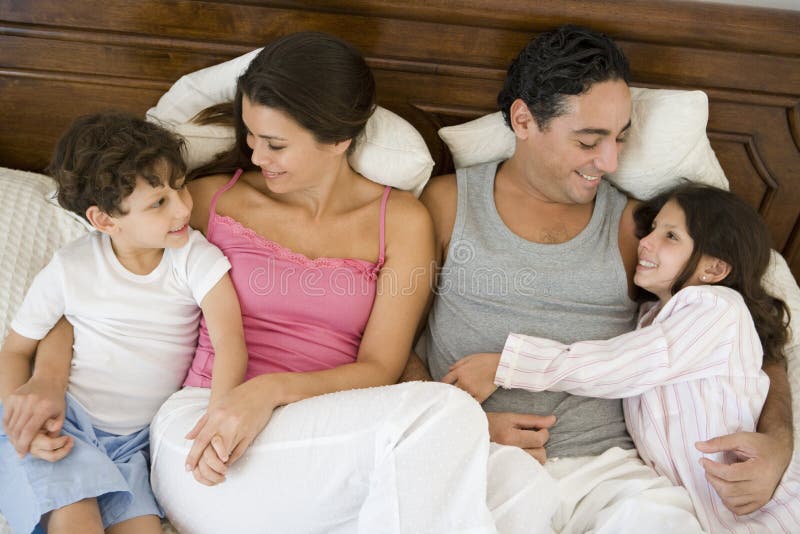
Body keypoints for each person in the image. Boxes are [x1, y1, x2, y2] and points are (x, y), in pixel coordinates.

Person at [139, 32, 549, 533]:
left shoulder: (400, 220)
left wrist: (269, 391)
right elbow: (106, 276)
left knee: (524, 485)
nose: (256, 153)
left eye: (275, 144)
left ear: (338, 139)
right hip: (208, 432)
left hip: (333, 433)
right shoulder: (208, 201)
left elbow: (380, 365)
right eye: (250, 135)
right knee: (447, 417)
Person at [403, 24, 795, 532]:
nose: (608, 162)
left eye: (620, 138)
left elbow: (752, 337)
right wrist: (460, 425)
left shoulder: (640, 229)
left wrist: (779, 443)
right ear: (523, 120)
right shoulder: (447, 205)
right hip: (479, 458)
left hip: (612, 472)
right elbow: (393, 342)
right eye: (589, 140)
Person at [445, 183, 800, 532]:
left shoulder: (715, 307)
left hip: (768, 510)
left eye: (671, 236)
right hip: (710, 511)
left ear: (714, 270)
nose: (646, 241)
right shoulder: (650, 317)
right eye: (653, 229)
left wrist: (510, 364)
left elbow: (621, 365)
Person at [0, 114, 248, 534]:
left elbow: (230, 341)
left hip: (135, 446)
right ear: (104, 220)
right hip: (66, 424)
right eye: (159, 203)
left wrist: (216, 422)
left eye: (180, 186)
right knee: (76, 521)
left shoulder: (194, 257)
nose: (184, 207)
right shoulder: (71, 267)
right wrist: (19, 418)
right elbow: (14, 349)